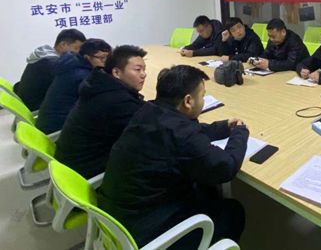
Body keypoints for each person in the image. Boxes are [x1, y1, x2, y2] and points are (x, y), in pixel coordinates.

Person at [98, 65, 248, 249]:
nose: (203, 100)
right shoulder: (181, 133)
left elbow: (182, 131)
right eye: (202, 96)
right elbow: (226, 167)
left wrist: (222, 128)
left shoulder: (148, 110)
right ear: (188, 101)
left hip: (115, 220)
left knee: (206, 189)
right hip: (143, 235)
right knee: (232, 211)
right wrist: (240, 132)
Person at [54, 45, 147, 178]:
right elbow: (147, 130)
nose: (144, 74)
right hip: (81, 171)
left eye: (144, 69)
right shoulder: (117, 101)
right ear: (116, 72)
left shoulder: (98, 84)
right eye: (138, 70)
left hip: (67, 161)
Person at [36, 38, 112, 134]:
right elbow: (100, 102)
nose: (105, 62)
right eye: (101, 58)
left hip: (47, 121)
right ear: (87, 57)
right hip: (57, 127)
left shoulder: (71, 64)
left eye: (108, 58)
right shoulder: (83, 77)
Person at [14, 29, 86, 111]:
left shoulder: (45, 54)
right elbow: (70, 86)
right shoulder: (51, 64)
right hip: (35, 106)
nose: (79, 53)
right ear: (63, 44)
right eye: (76, 48)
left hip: (27, 100)